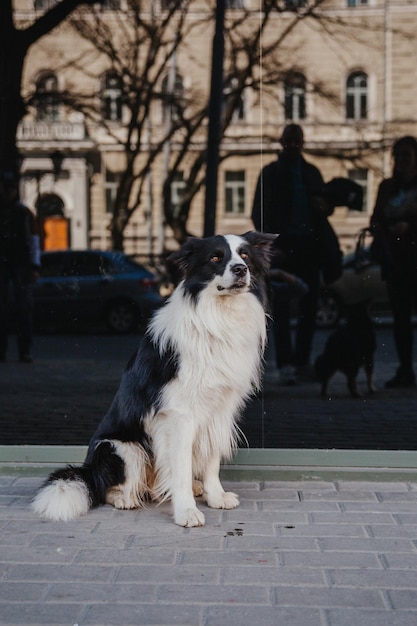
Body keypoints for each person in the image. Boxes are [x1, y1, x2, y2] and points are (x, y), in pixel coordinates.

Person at [252, 123, 337, 385]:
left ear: (302, 143)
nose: (292, 145)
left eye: (296, 141)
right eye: (288, 140)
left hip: (309, 247)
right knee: (282, 305)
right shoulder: (271, 173)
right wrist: (271, 247)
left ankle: (301, 362)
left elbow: (325, 207)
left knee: (309, 306)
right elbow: (259, 212)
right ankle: (287, 364)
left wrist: (324, 205)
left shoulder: (311, 172)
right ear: (281, 142)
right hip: (283, 247)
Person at [370, 136, 417, 388]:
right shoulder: (387, 187)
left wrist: (409, 226)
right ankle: (405, 369)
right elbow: (375, 219)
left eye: (406, 156)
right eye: (397, 156)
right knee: (400, 318)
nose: (401, 161)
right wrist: (386, 228)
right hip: (395, 260)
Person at [0, 170, 41, 363]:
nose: (7, 192)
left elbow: (33, 241)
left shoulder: (24, 213)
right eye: (5, 188)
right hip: (6, 264)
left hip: (20, 265)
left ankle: (24, 350)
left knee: (24, 309)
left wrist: (34, 266)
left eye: (10, 188)